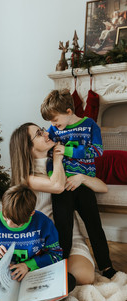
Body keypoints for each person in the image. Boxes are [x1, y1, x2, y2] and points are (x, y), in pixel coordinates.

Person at [9, 122, 111, 284]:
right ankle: (47, 276)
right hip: (41, 241)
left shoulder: (65, 163)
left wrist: (82, 178)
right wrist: (57, 159)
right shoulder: (27, 178)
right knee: (54, 273)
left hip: (72, 237)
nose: (46, 133)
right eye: (39, 134)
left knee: (84, 276)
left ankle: (52, 278)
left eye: (43, 130)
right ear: (27, 147)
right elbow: (57, 186)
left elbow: (102, 187)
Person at [40, 89, 116, 279]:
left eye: (55, 119)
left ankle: (106, 267)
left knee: (94, 226)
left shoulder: (89, 125)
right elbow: (50, 156)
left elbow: (97, 151)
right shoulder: (54, 131)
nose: (52, 125)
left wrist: (67, 150)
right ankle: (61, 269)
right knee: (63, 229)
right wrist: (53, 176)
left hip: (84, 185)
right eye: (50, 121)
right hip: (63, 186)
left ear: (68, 111)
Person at [0, 184, 64, 282]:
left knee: (68, 280)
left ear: (31, 213)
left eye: (16, 222)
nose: (9, 224)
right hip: (3, 277)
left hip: (33, 274)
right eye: (5, 217)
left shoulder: (44, 224)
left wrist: (28, 265)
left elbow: (56, 255)